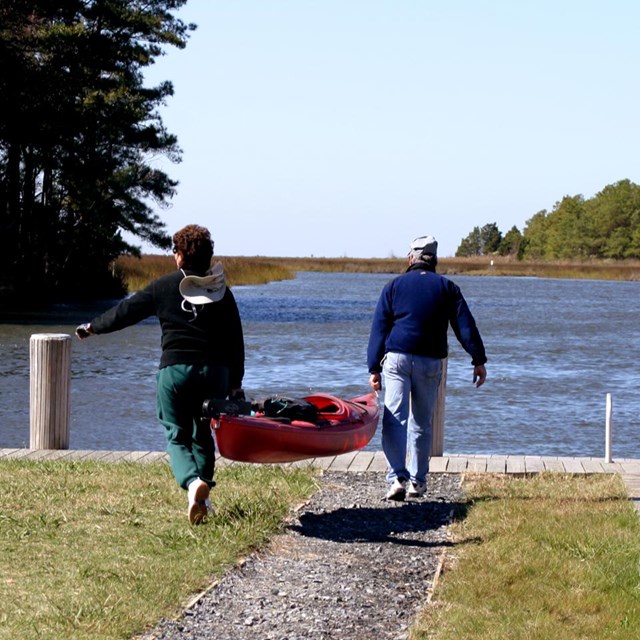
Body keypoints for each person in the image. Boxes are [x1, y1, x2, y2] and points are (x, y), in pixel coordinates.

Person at [76, 224, 245, 524]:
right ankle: (202, 498)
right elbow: (235, 342)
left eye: (175, 252)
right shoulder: (223, 293)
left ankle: (193, 485)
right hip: (215, 373)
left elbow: (126, 312)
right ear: (208, 258)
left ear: (180, 257)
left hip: (175, 371)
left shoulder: (163, 286)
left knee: (176, 434)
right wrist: (235, 384)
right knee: (202, 434)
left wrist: (93, 327)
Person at [367, 235, 487, 501]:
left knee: (394, 419)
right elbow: (465, 327)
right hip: (431, 361)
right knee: (421, 423)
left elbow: (379, 328)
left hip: (397, 359)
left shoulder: (394, 286)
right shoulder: (447, 288)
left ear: (411, 258)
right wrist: (478, 359)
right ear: (435, 259)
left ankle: (397, 477)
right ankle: (417, 482)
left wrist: (373, 368)